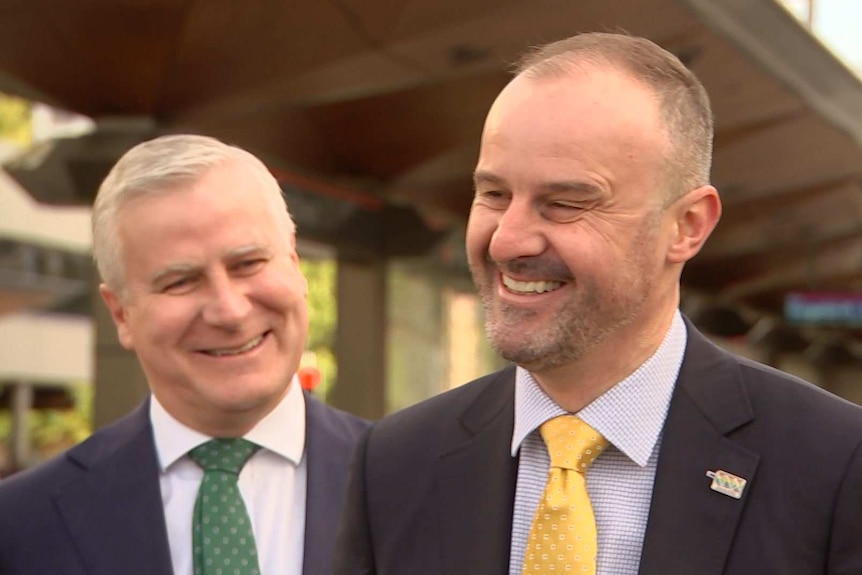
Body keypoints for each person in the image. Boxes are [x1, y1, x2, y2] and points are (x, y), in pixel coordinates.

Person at [334, 32, 862, 575]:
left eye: (563, 204)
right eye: (493, 194)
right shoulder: (395, 464)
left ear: (687, 226)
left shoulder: (834, 467)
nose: (507, 241)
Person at [0, 134, 368, 575]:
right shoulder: (22, 525)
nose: (229, 311)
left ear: (295, 265)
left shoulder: (416, 485)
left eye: (248, 263)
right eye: (180, 281)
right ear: (120, 314)